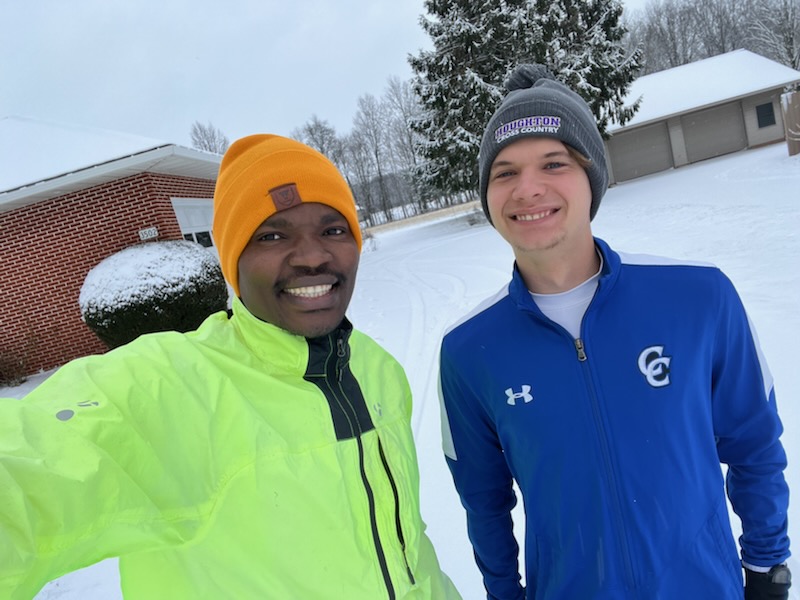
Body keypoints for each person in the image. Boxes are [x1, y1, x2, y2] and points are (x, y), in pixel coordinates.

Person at [0, 134, 460, 600]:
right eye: (272, 235)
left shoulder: (377, 368)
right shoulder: (171, 384)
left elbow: (406, 542)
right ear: (232, 261)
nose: (313, 255)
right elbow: (29, 465)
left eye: (333, 229)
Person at [437, 64, 792, 599]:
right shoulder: (468, 351)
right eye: (504, 172)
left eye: (553, 163)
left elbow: (755, 443)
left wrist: (767, 568)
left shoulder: (699, 298)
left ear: (591, 179)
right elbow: (483, 502)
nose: (527, 189)